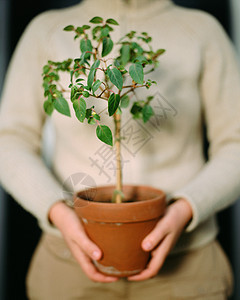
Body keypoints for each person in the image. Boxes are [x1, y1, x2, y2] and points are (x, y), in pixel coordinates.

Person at [0, 0, 240, 299]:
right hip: (67, 262)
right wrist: (56, 210)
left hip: (187, 266)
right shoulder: (46, 31)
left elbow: (236, 142)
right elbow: (10, 140)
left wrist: (187, 207)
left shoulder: (202, 30)